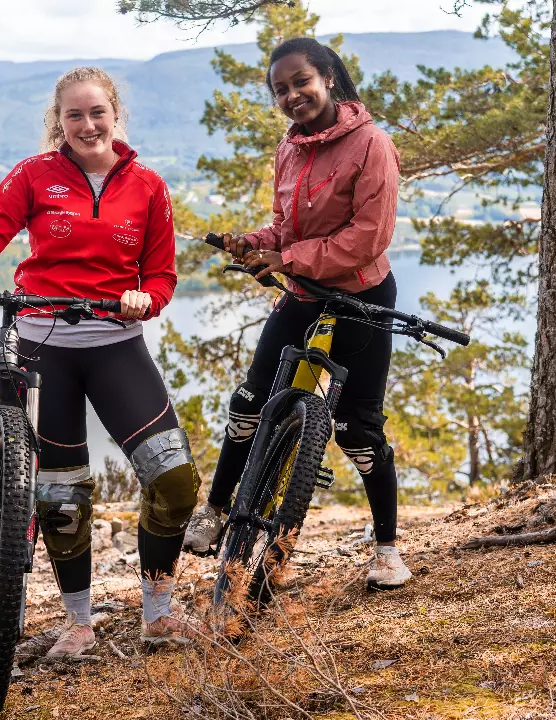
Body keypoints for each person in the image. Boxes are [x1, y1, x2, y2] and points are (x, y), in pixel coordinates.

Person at [0, 67, 202, 655]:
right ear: (59, 121)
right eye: (74, 115)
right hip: (42, 346)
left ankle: (158, 612)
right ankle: (78, 622)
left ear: (115, 114)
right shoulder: (33, 175)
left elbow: (162, 275)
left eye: (97, 112)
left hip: (116, 344)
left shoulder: (148, 185)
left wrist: (145, 299)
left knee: (173, 479)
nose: (87, 124)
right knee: (61, 495)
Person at [183, 38, 410, 590]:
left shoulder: (372, 144)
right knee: (250, 401)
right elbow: (286, 228)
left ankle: (387, 550)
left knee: (358, 430)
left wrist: (285, 259)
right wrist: (256, 243)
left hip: (361, 296)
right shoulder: (290, 147)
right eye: (280, 89)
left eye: (300, 82)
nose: (291, 95)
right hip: (304, 292)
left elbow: (368, 238)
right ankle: (215, 509)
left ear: (328, 77)